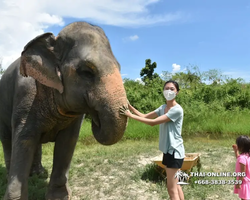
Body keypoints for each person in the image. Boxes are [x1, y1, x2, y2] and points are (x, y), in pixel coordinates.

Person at [120, 80, 185, 200]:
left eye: (172, 89)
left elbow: (153, 123)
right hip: (169, 151)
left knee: (172, 189)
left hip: (174, 152)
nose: (169, 91)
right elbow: (145, 116)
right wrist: (130, 107)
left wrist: (130, 115)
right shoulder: (163, 107)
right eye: (167, 88)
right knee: (177, 185)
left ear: (177, 92)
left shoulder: (176, 110)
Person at [232, 135, 250, 200]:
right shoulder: (247, 155)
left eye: (238, 144)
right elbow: (239, 159)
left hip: (243, 182)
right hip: (247, 182)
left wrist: (239, 182)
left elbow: (243, 172)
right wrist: (236, 151)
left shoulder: (242, 158)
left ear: (241, 147)